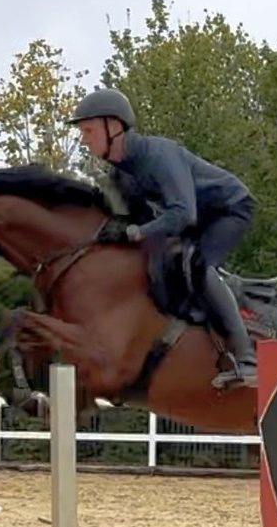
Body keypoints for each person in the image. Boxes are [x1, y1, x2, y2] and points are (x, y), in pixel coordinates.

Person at [68, 88, 257, 389]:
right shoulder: (121, 175)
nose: (84, 139)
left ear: (113, 127)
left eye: (88, 130)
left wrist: (136, 232)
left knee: (197, 265)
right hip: (196, 214)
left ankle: (248, 360)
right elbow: (139, 224)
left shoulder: (158, 154)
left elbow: (183, 214)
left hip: (228, 209)